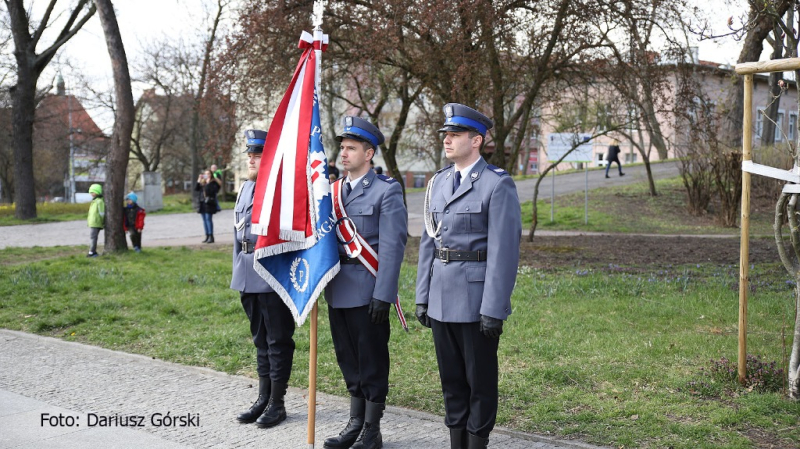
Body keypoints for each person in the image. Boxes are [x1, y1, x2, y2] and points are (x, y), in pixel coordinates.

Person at [415, 104, 521, 449]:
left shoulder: (496, 184)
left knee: (480, 381)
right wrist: (422, 296)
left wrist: (494, 307)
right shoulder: (439, 182)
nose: (447, 140)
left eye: (455, 134)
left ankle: (477, 443)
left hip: (476, 300)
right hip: (441, 296)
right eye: (446, 134)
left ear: (476, 140)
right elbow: (428, 244)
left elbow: (504, 253)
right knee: (451, 381)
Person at [323, 116, 407, 449]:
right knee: (347, 357)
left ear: (368, 153)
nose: (343, 154)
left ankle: (372, 429)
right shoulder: (331, 192)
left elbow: (393, 246)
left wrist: (383, 295)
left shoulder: (387, 190)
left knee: (371, 360)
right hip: (337, 287)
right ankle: (354, 422)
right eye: (342, 148)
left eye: (351, 148)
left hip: (368, 288)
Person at [232, 129, 296, 429]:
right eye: (250, 154)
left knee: (277, 340)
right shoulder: (246, 189)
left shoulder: (281, 190)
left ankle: (277, 402)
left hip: (271, 273)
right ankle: (262, 397)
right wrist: (237, 268)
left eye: (258, 154)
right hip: (246, 272)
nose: (251, 159)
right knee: (259, 339)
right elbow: (238, 232)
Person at [196, 169, 220, 243]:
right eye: (205, 174)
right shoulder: (203, 182)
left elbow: (213, 191)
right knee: (204, 220)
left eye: (208, 174)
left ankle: (211, 236)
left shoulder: (213, 183)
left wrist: (208, 183)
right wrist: (199, 180)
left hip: (209, 203)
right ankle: (207, 236)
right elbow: (196, 189)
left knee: (208, 219)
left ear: (211, 174)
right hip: (202, 203)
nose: (207, 175)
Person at [86, 183, 105, 257]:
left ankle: (92, 252)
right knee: (93, 237)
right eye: (91, 192)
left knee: (93, 237)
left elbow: (101, 212)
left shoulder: (99, 201)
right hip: (93, 222)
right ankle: (92, 251)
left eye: (93, 192)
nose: (91, 194)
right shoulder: (94, 201)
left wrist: (102, 221)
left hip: (96, 222)